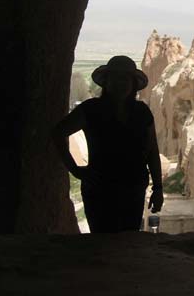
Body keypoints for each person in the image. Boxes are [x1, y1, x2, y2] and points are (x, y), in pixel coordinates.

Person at [52, 55, 164, 232]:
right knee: (102, 241)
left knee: (128, 240)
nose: (121, 83)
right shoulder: (90, 109)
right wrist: (75, 169)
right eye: (116, 78)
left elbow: (152, 150)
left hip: (132, 189)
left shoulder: (142, 112)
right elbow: (58, 133)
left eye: (125, 78)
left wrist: (158, 188)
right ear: (107, 82)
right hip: (100, 190)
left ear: (133, 83)